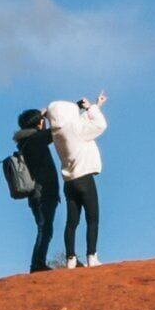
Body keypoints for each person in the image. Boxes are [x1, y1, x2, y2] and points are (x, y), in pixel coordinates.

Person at [43, 93, 109, 268]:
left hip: (69, 182)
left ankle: (70, 259)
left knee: (71, 222)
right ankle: (91, 256)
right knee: (92, 218)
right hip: (85, 179)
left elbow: (77, 124)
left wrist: (96, 106)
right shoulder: (77, 129)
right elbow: (99, 125)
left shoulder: (56, 134)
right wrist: (91, 108)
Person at [12, 106, 63, 272]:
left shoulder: (25, 141)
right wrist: (52, 114)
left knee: (44, 228)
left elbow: (47, 133)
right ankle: (37, 264)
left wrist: (42, 118)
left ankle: (38, 263)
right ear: (38, 123)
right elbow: (57, 129)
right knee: (45, 229)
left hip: (36, 194)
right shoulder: (35, 140)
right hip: (44, 192)